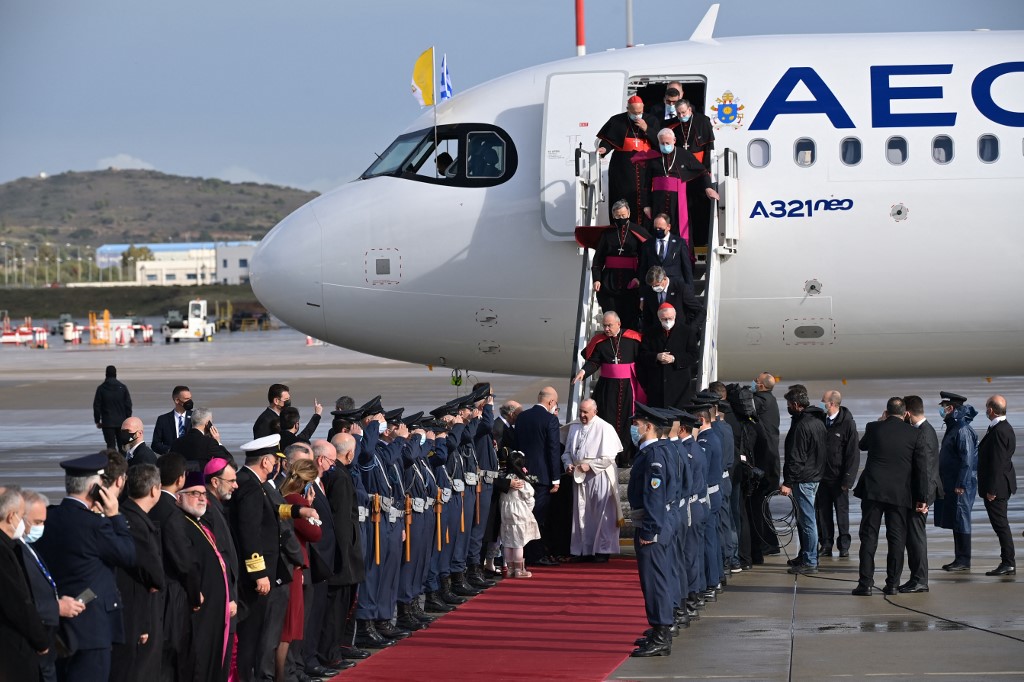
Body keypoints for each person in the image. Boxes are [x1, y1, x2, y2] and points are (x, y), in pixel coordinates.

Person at [34, 453, 136, 682]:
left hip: (58, 624)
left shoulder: (49, 518)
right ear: (94, 489)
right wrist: (115, 515)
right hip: (92, 629)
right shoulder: (95, 525)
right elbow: (128, 555)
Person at [852, 397, 927, 596]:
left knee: (869, 537)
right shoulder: (914, 434)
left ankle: (865, 583)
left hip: (873, 491)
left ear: (886, 411)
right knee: (896, 539)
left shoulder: (874, 427)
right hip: (899, 493)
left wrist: (880, 422)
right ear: (905, 413)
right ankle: (892, 584)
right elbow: (921, 469)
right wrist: (922, 497)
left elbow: (863, 446)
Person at [231, 435, 288, 681]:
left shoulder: (251, 482)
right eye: (274, 460)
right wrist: (259, 573)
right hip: (254, 577)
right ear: (265, 462)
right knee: (251, 635)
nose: (276, 464)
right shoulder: (251, 486)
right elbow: (249, 532)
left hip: (261, 572)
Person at [18, 489, 87, 682]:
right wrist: (56, 607)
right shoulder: (13, 551)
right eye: (37, 522)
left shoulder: (28, 547)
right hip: (32, 650)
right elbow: (17, 602)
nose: (41, 528)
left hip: (45, 648)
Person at [627, 403, 675, 658]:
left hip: (652, 526)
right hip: (656, 523)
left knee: (654, 581)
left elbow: (655, 496)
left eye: (636, 425)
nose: (633, 429)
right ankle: (659, 628)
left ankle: (661, 633)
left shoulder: (654, 456)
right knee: (657, 580)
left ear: (648, 427)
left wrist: (649, 530)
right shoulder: (654, 452)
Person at [109, 465, 164, 682]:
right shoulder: (135, 521)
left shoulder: (129, 515)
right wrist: (156, 581)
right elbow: (153, 570)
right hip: (130, 611)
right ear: (154, 490)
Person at [177, 469, 232, 682]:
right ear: (179, 496)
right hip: (199, 613)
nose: (201, 498)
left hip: (214, 613)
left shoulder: (198, 522)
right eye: (194, 493)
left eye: (203, 494)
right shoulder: (181, 524)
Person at [150, 453, 201, 681]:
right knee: (174, 657)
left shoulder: (150, 505)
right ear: (181, 479)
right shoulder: (172, 513)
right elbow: (184, 562)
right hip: (173, 595)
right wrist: (194, 594)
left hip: (154, 592)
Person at [573, 312, 645, 459]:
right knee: (607, 420)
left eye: (609, 325)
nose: (606, 329)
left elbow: (643, 359)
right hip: (607, 387)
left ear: (618, 324)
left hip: (628, 387)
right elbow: (594, 362)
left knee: (627, 421)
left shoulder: (632, 339)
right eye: (604, 325)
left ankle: (625, 458)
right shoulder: (600, 342)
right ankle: (607, 455)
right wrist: (583, 371)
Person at [277, 460, 324, 682]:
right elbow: (314, 533)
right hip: (295, 566)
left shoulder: (286, 496)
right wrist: (309, 508)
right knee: (290, 627)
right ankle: (283, 674)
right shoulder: (295, 500)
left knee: (290, 625)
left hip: (294, 564)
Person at [638, 129, 720, 254]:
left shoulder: (684, 154)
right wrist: (646, 205)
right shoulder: (654, 157)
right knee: (658, 230)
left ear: (674, 141)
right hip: (658, 202)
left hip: (678, 201)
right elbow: (645, 184)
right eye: (662, 143)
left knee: (678, 231)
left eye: (667, 143)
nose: (665, 146)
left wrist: (708, 188)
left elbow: (702, 172)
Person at [561, 399, 623, 561]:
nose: (582, 415)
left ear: (594, 412)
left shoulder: (604, 427)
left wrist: (591, 465)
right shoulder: (574, 426)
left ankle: (603, 550)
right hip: (578, 475)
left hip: (599, 474)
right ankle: (584, 549)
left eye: (585, 412)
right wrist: (568, 464)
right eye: (580, 411)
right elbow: (567, 452)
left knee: (601, 512)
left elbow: (609, 456)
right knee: (581, 512)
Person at [0, 486, 50, 682]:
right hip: (12, 648)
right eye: (22, 516)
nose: (25, 524)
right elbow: (17, 603)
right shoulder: (4, 552)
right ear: (11, 516)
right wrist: (40, 640)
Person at [513, 387, 563, 566]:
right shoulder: (550, 420)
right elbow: (553, 449)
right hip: (542, 478)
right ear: (551, 402)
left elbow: (516, 446)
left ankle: (523, 552)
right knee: (538, 517)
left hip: (523, 474)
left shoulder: (522, 417)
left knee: (523, 514)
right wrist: (556, 479)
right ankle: (536, 555)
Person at [780, 386, 826, 574]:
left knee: (807, 521)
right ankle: (806, 554)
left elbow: (796, 458)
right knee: (803, 519)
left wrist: (788, 482)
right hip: (814, 475)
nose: (788, 407)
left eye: (789, 404)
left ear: (797, 405)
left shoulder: (802, 425)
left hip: (804, 478)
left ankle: (811, 560)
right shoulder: (817, 421)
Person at [899, 395, 941, 593]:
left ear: (907, 413)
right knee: (913, 538)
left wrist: (923, 499)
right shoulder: (924, 430)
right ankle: (916, 577)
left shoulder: (923, 434)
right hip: (918, 494)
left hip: (919, 497)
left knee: (916, 538)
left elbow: (925, 470)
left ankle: (920, 580)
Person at [933, 391, 979, 571]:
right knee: (956, 519)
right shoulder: (954, 427)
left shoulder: (962, 429)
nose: (942, 411)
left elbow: (967, 460)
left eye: (944, 408)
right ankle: (959, 557)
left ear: (951, 408)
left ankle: (964, 559)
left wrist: (961, 483)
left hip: (961, 484)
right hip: (952, 482)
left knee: (961, 519)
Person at [596, 95, 659, 223]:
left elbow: (659, 142)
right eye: (634, 113)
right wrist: (604, 149)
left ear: (643, 108)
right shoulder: (617, 120)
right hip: (622, 169)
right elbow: (608, 141)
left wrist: (646, 128)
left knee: (644, 198)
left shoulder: (651, 120)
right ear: (627, 109)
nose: (637, 115)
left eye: (639, 112)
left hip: (645, 167)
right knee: (622, 197)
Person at [592, 199, 650, 332]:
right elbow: (598, 260)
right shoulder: (607, 234)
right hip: (609, 281)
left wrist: (639, 278)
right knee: (611, 316)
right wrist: (597, 278)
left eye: (623, 216)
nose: (621, 219)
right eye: (618, 216)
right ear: (613, 216)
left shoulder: (638, 231)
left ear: (629, 214)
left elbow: (644, 259)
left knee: (630, 317)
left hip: (631, 282)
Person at [815, 390, 859, 559]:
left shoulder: (847, 424)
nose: (820, 403)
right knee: (822, 512)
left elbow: (852, 454)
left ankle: (844, 546)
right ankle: (826, 544)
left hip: (839, 478)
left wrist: (848, 478)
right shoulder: (820, 420)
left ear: (832, 404)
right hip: (822, 477)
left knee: (842, 513)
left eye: (823, 400)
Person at [978, 394, 1017, 576]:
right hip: (1001, 484)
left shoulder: (1000, 430)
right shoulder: (1003, 427)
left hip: (997, 487)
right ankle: (1008, 561)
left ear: (991, 410)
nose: (986, 410)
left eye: (987, 407)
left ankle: (1008, 562)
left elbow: (998, 462)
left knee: (1001, 525)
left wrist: (991, 489)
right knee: (1001, 525)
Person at [670, 99, 717, 248]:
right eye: (678, 113)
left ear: (690, 110)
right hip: (682, 171)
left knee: (701, 208)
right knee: (685, 207)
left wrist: (707, 169)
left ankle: (702, 241)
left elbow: (709, 147)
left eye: (683, 112)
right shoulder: (675, 125)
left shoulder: (702, 121)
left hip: (699, 170)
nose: (681, 115)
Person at [639, 303, 699, 410]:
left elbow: (694, 355)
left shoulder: (687, 331)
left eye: (670, 318)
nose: (667, 321)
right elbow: (642, 354)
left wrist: (674, 359)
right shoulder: (650, 333)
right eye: (664, 319)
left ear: (675, 316)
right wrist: (656, 356)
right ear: (659, 318)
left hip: (679, 385)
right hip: (657, 385)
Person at [499, 452, 542, 577]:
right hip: (519, 514)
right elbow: (529, 497)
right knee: (518, 542)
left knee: (507, 542)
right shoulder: (520, 480)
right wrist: (528, 510)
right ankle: (519, 570)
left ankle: (510, 568)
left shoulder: (505, 479)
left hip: (505, 513)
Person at [639, 265, 704, 331]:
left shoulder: (680, 288)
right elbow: (647, 316)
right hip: (658, 334)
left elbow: (700, 311)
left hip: (679, 331)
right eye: (652, 286)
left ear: (664, 278)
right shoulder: (649, 291)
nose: (654, 287)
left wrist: (691, 329)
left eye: (657, 285)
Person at [637, 213, 693, 286]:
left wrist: (689, 290)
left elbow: (687, 268)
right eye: (655, 228)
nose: (657, 230)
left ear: (668, 227)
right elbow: (643, 268)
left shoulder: (679, 243)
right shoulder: (647, 244)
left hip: (674, 287)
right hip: (654, 287)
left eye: (660, 228)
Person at [93, 365, 132, 449]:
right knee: (123, 447)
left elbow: (97, 406)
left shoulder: (101, 388)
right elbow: (128, 405)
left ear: (106, 374)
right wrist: (128, 419)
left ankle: (112, 462)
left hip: (107, 422)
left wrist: (97, 420)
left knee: (110, 446)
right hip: (121, 422)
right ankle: (123, 462)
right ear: (115, 374)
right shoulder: (122, 387)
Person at [152, 385, 193, 455]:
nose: (190, 401)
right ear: (177, 400)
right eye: (186, 399)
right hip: (172, 460)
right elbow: (155, 444)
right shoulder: (163, 420)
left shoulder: (196, 417)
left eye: (190, 398)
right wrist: (171, 451)